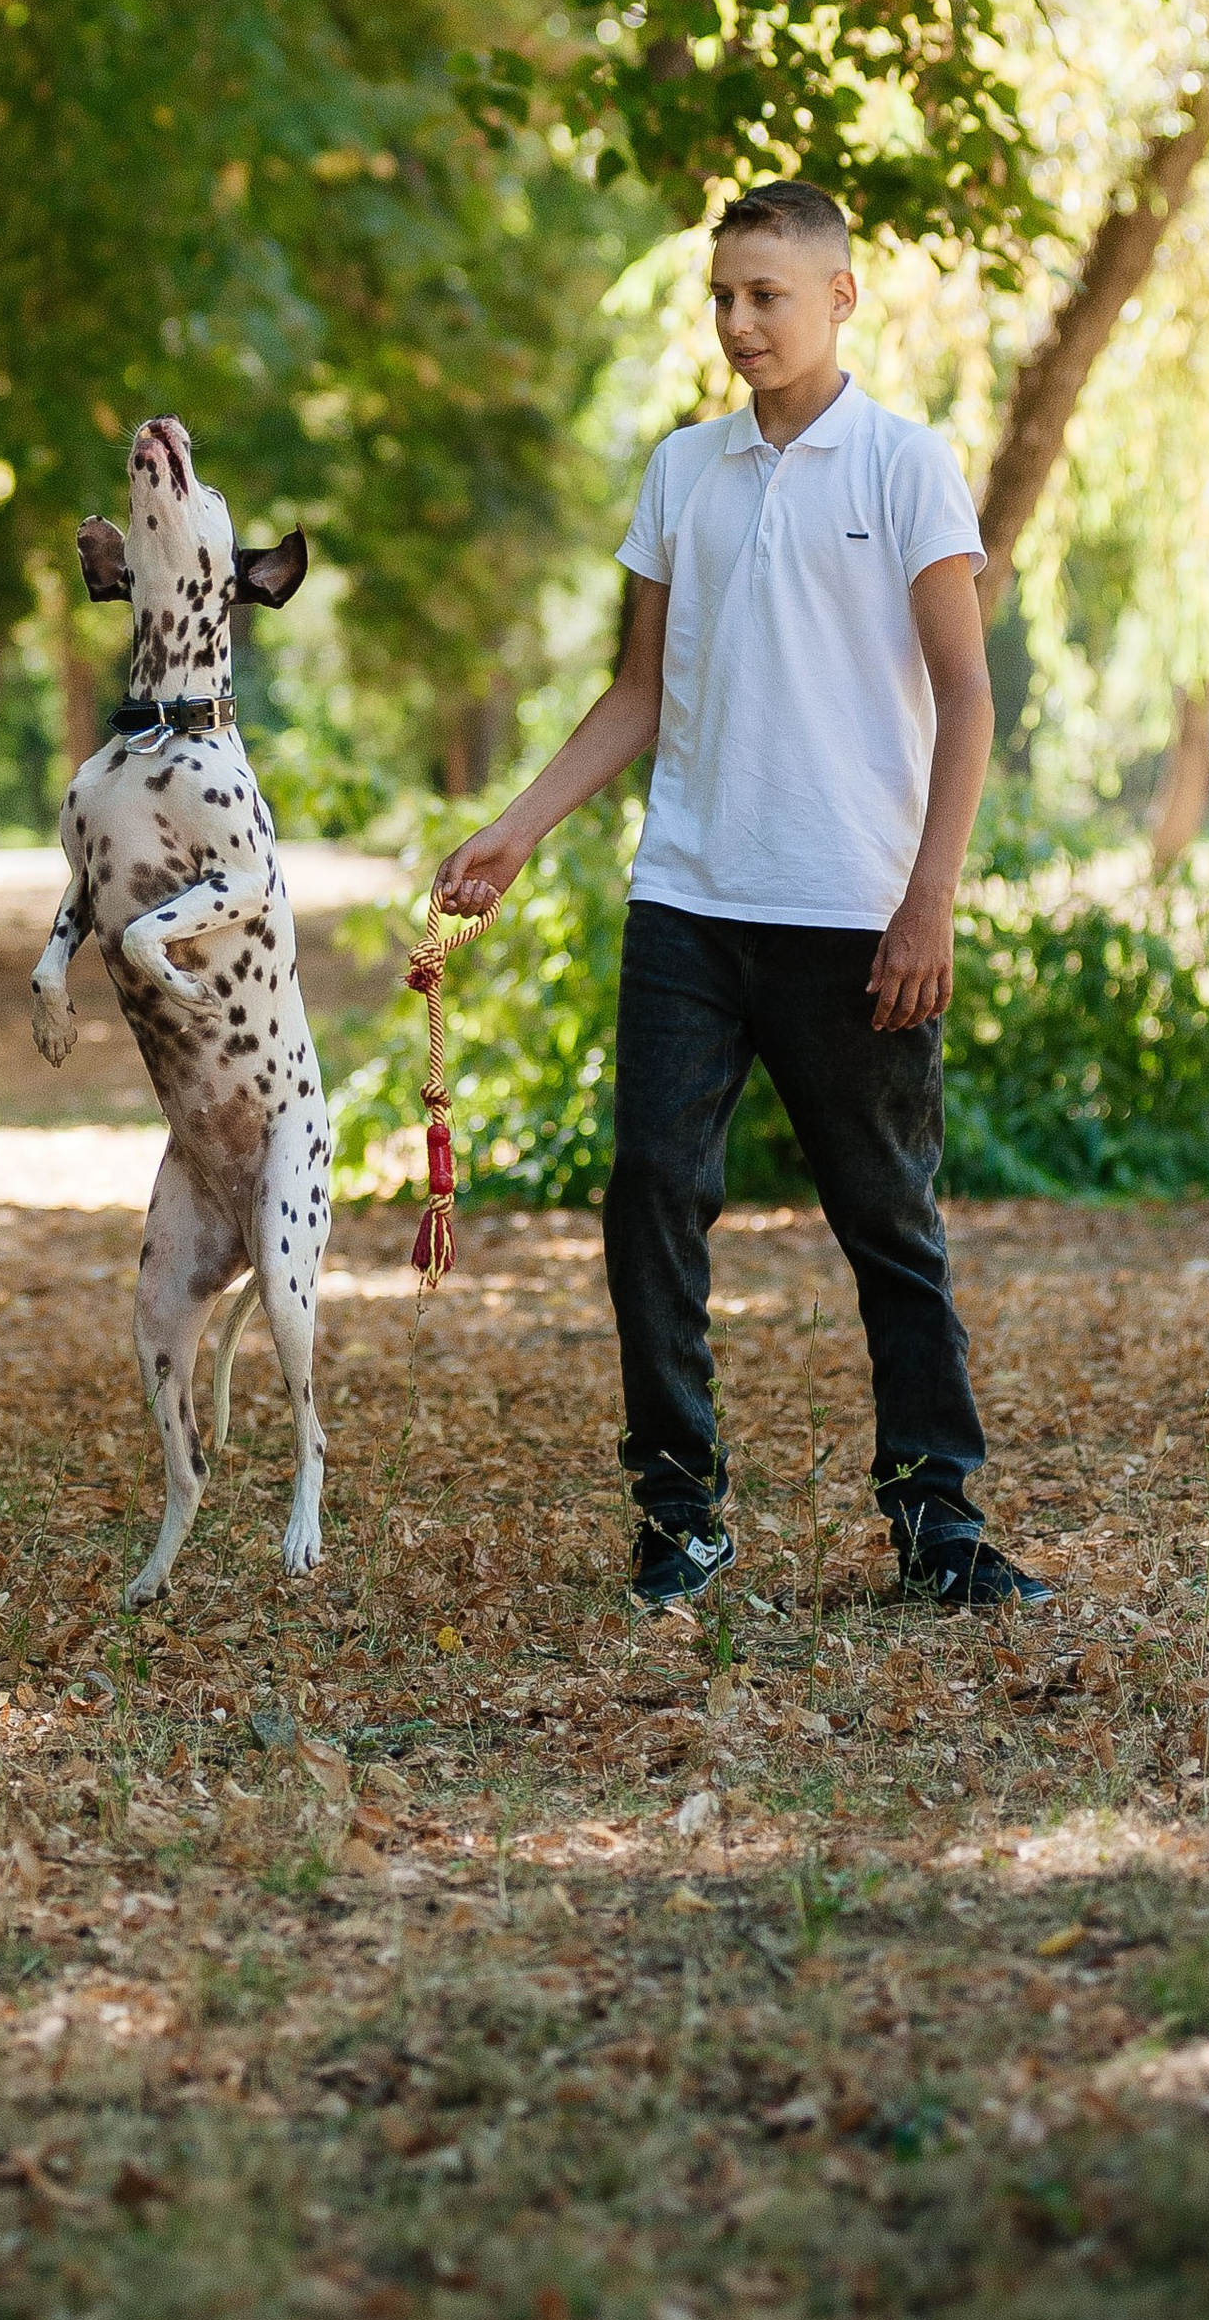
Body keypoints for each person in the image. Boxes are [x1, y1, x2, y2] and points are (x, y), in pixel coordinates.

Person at [436, 178, 1047, 1619]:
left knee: (888, 1220)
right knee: (651, 1189)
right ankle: (678, 1516)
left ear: (840, 298)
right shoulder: (682, 472)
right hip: (691, 899)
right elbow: (641, 688)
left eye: (766, 294)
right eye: (722, 295)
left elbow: (967, 699)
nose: (738, 321)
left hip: (854, 913)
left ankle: (938, 1525)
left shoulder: (906, 466)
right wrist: (516, 830)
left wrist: (929, 901)